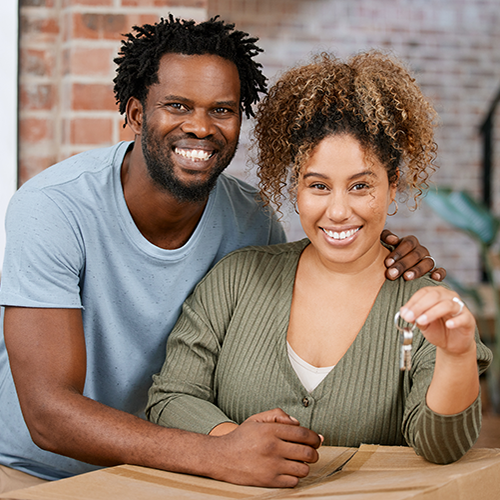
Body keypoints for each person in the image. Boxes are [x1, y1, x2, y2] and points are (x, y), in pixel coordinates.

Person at [0, 15, 443, 493]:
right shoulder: (53, 207)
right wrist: (213, 452)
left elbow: (302, 303)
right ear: (133, 113)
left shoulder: (250, 217)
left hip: (175, 474)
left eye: (222, 110)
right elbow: (48, 414)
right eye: (177, 105)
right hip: (38, 474)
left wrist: (386, 254)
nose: (200, 126)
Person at [147, 51, 492, 466]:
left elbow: (442, 447)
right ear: (296, 186)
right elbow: (172, 397)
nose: (339, 211)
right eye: (319, 186)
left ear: (393, 184)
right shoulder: (236, 279)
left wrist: (456, 357)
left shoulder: (426, 308)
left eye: (361, 186)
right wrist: (233, 445)